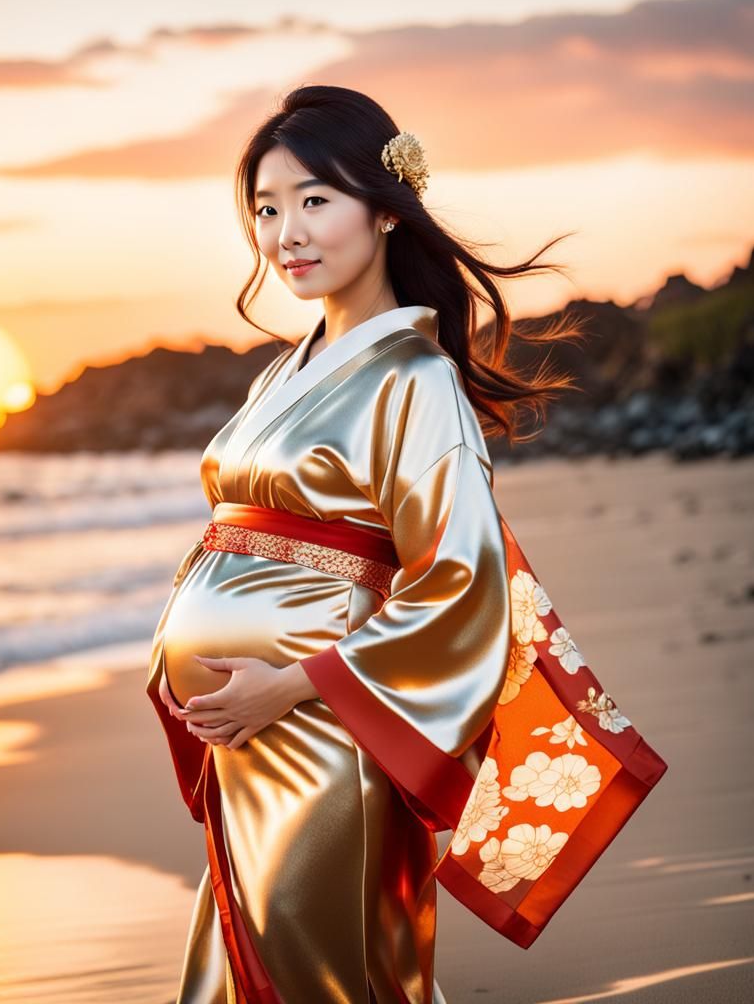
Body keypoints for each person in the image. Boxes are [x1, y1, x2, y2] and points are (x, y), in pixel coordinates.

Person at [145, 84, 667, 1004]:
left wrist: (292, 684)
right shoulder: (288, 368)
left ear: (386, 212)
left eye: (315, 200)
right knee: (239, 977)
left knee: (328, 978)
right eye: (266, 209)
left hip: (321, 729)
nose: (286, 233)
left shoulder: (415, 379)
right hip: (253, 733)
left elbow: (458, 583)